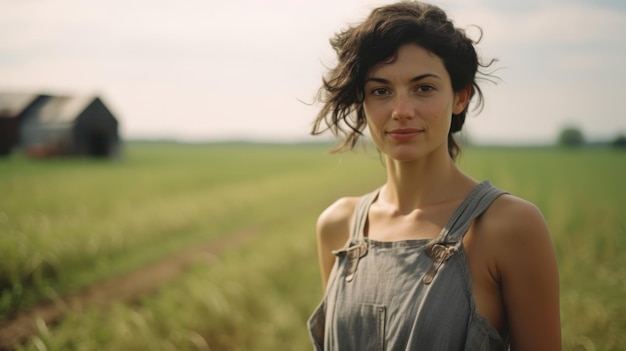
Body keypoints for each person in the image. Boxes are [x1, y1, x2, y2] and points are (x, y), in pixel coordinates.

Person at [307, 1, 562, 350]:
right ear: (362, 103)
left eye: (423, 88)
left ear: (460, 97)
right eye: (380, 91)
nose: (401, 111)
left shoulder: (510, 226)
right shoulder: (337, 226)